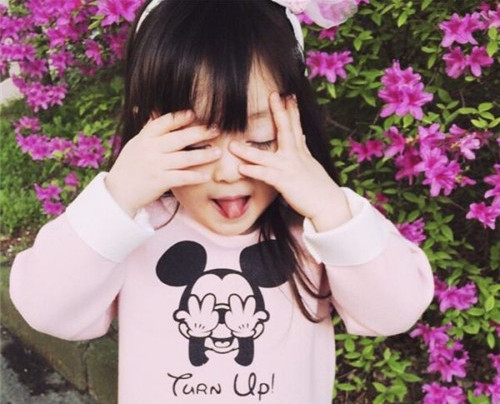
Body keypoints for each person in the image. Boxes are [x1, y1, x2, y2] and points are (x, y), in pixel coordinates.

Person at [9, 1, 435, 403]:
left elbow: (394, 311)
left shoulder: (320, 229)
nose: (229, 171)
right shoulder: (131, 226)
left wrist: (331, 210)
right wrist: (117, 197)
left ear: (298, 122)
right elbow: (47, 309)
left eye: (260, 140)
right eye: (196, 143)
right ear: (146, 128)